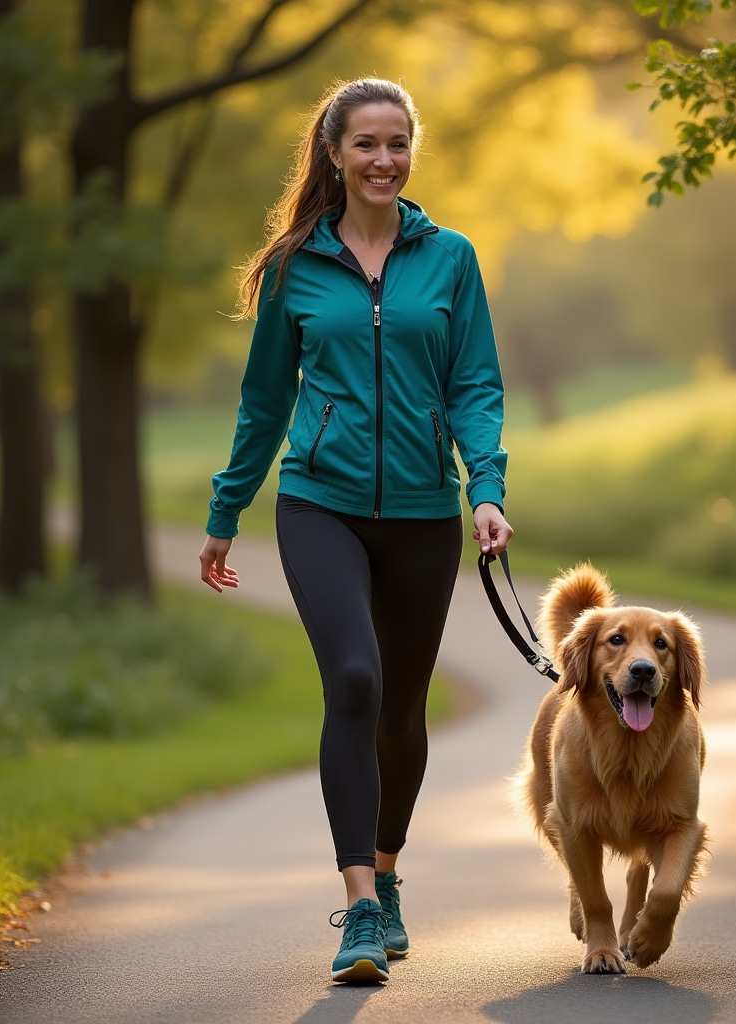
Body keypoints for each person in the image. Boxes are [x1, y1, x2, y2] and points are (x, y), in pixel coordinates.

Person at [198, 77, 513, 985]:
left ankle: (387, 869)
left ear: (412, 152)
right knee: (354, 679)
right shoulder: (296, 266)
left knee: (404, 710)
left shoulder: (450, 258)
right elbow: (265, 401)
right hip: (319, 503)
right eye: (366, 144)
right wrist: (226, 511)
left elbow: (474, 384)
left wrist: (485, 490)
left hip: (423, 512)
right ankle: (361, 909)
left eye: (397, 143)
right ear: (333, 154)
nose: (383, 159)